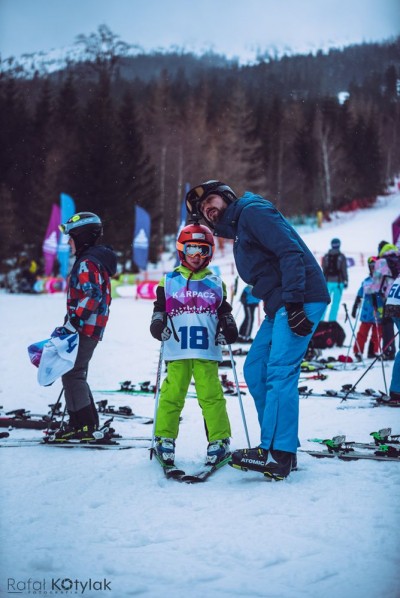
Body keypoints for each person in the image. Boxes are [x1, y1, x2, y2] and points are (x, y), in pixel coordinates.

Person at [185, 180, 330, 480]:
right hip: (281, 305)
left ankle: (277, 454)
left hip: (301, 298)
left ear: (226, 197)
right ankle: (282, 446)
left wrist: (293, 304)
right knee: (255, 369)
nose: (208, 210)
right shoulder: (240, 230)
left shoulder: (252, 212)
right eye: (202, 210)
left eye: (211, 201)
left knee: (279, 371)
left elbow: (290, 252)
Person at [150, 223, 238, 467]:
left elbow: (224, 313)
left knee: (211, 395)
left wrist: (229, 327)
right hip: (177, 349)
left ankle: (219, 441)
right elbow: (159, 310)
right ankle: (164, 437)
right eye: (191, 250)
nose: (197, 256)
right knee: (172, 394)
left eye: (203, 250)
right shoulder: (169, 281)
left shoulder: (214, 282)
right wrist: (157, 325)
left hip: (205, 349)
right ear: (181, 250)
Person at [49, 212, 117, 443]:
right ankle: (86, 421)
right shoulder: (92, 259)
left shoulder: (87, 262)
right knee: (76, 373)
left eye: (71, 238)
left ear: (82, 237)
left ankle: (82, 425)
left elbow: (93, 295)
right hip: (90, 326)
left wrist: (75, 322)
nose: (68, 243)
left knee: (72, 374)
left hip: (85, 328)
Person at [351, 257, 383, 361]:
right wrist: (355, 307)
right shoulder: (366, 281)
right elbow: (361, 293)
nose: (373, 268)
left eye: (375, 266)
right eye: (371, 266)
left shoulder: (382, 280)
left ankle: (373, 351)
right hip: (367, 312)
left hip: (378, 311)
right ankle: (358, 352)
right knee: (362, 333)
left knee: (377, 334)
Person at [321, 238, 348, 321]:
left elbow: (323, 269)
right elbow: (344, 269)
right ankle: (332, 321)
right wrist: (346, 280)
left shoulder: (326, 256)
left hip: (327, 282)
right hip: (339, 282)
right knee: (335, 303)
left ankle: (321, 320)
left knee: (324, 303)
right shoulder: (342, 256)